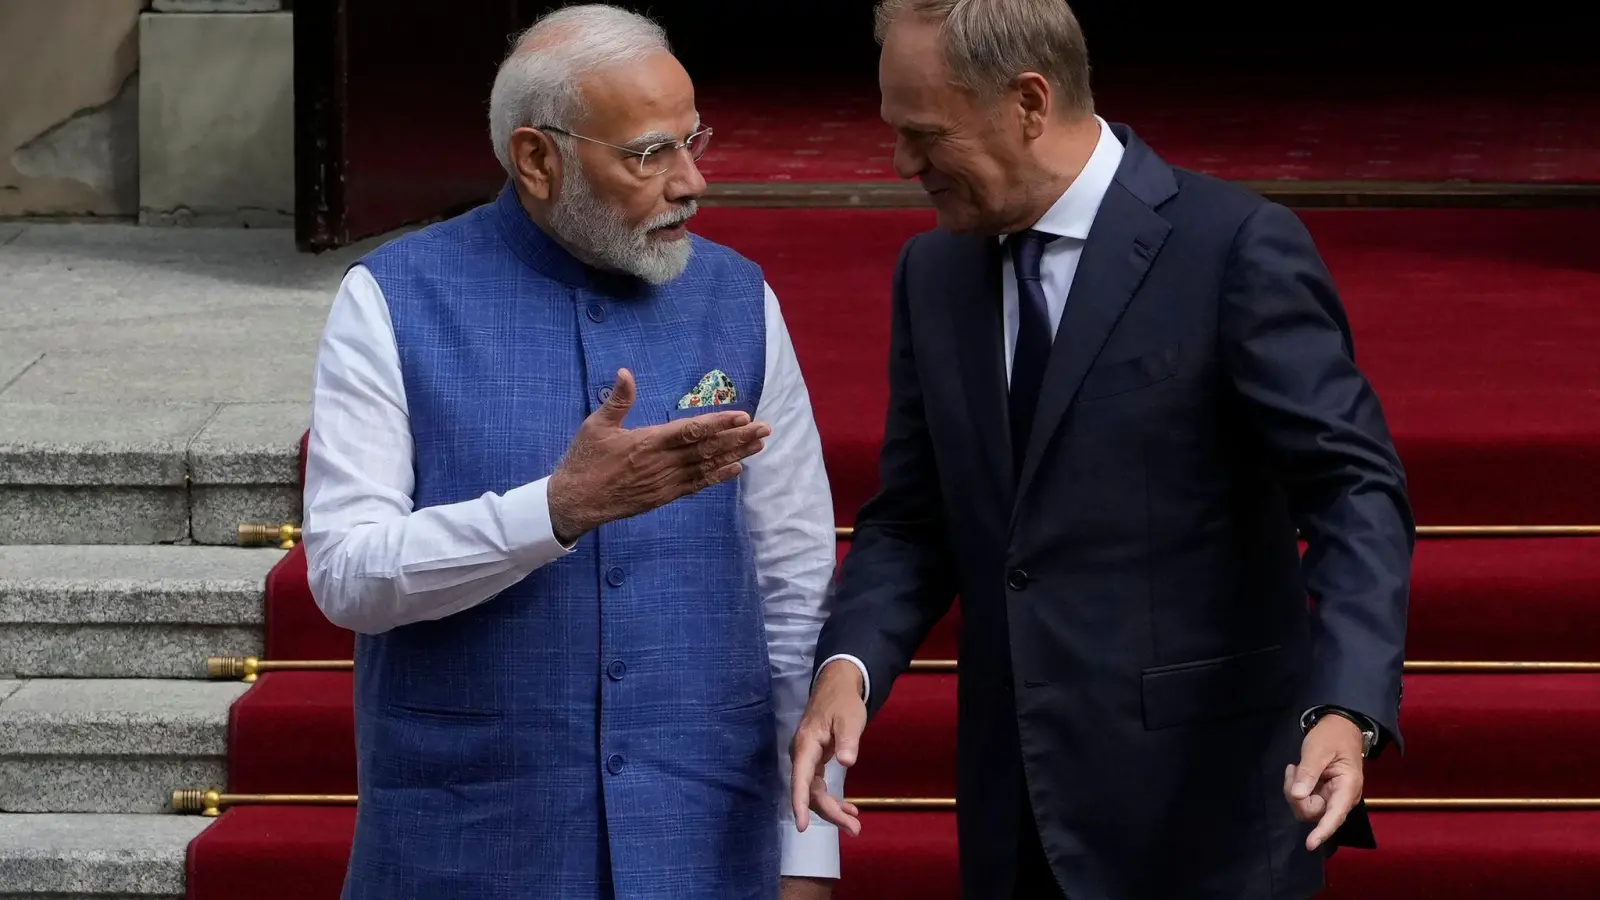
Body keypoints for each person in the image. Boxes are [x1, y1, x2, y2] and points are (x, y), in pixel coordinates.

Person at [789, 1, 1414, 898]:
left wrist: (1344, 706)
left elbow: (1355, 492)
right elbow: (915, 517)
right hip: (1016, 814)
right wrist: (848, 666)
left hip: (1206, 816)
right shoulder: (933, 273)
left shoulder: (1231, 247)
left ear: (1030, 103)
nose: (901, 164)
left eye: (925, 134)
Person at [300, 5, 844, 899]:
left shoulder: (739, 301)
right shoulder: (392, 300)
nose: (692, 182)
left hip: (703, 841)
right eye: (649, 154)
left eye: (692, 141)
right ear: (537, 159)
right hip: (469, 845)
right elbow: (348, 573)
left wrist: (807, 848)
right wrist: (552, 513)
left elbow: (792, 584)